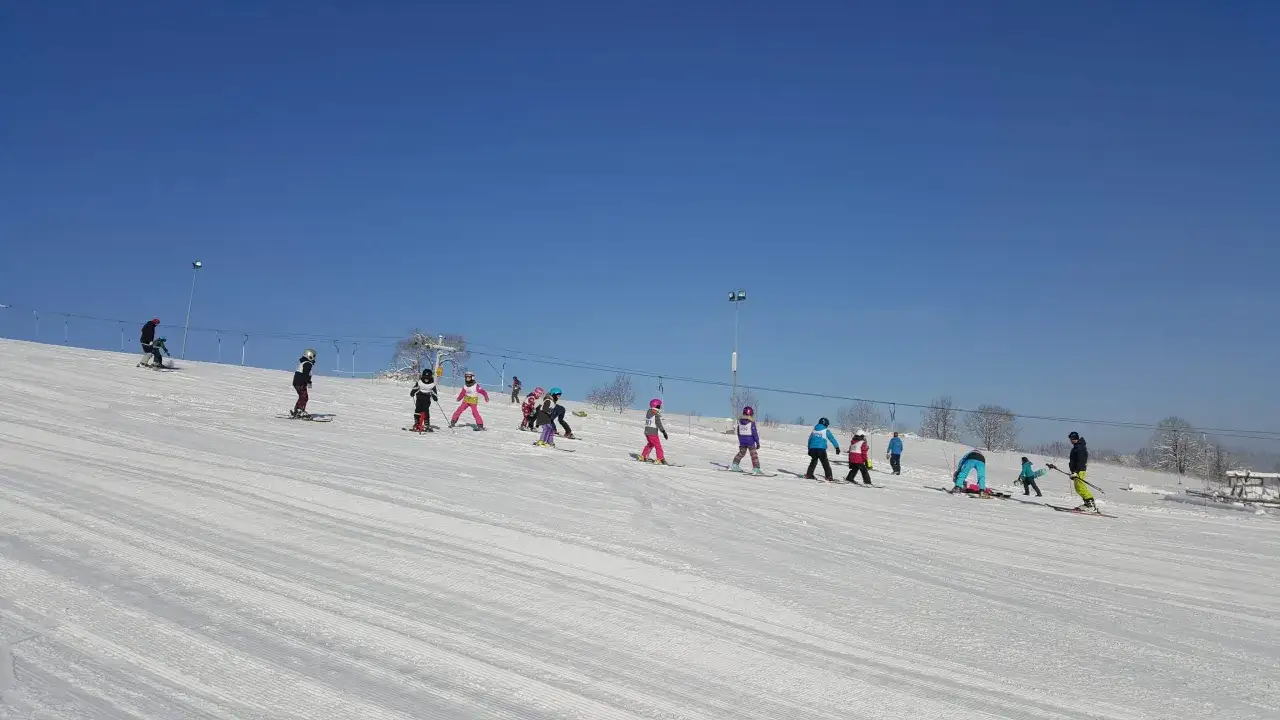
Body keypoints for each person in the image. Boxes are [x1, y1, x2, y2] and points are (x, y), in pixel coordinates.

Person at [1065, 431, 1095, 511]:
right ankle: (1087, 503)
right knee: (1078, 488)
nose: (1070, 440)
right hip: (1076, 470)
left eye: (1071, 438)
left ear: (1074, 438)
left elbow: (1081, 461)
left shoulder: (1080, 447)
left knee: (1080, 487)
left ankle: (1090, 504)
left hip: (1079, 470)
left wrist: (1076, 471)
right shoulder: (1077, 446)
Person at [730, 406, 763, 474]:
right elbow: (754, 433)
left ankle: (735, 465)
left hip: (742, 441)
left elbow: (739, 433)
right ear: (750, 414)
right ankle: (756, 468)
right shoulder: (751, 423)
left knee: (741, 453)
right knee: (753, 454)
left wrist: (740, 441)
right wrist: (757, 442)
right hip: (750, 441)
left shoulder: (740, 423)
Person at [638, 398, 669, 464]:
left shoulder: (648, 412)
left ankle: (643, 456)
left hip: (647, 432)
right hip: (652, 433)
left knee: (650, 444)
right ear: (655, 406)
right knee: (658, 446)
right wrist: (663, 431)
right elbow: (659, 424)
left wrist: (657, 413)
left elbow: (653, 412)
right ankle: (660, 458)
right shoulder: (655, 415)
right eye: (659, 406)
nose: (660, 407)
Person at [290, 348, 316, 418]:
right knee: (304, 397)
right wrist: (308, 382)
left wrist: (308, 382)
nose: (314, 358)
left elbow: (306, 375)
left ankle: (297, 410)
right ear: (309, 355)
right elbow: (305, 374)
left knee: (303, 396)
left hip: (298, 382)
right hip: (300, 382)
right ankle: (299, 411)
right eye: (313, 356)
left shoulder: (304, 363)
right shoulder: (308, 363)